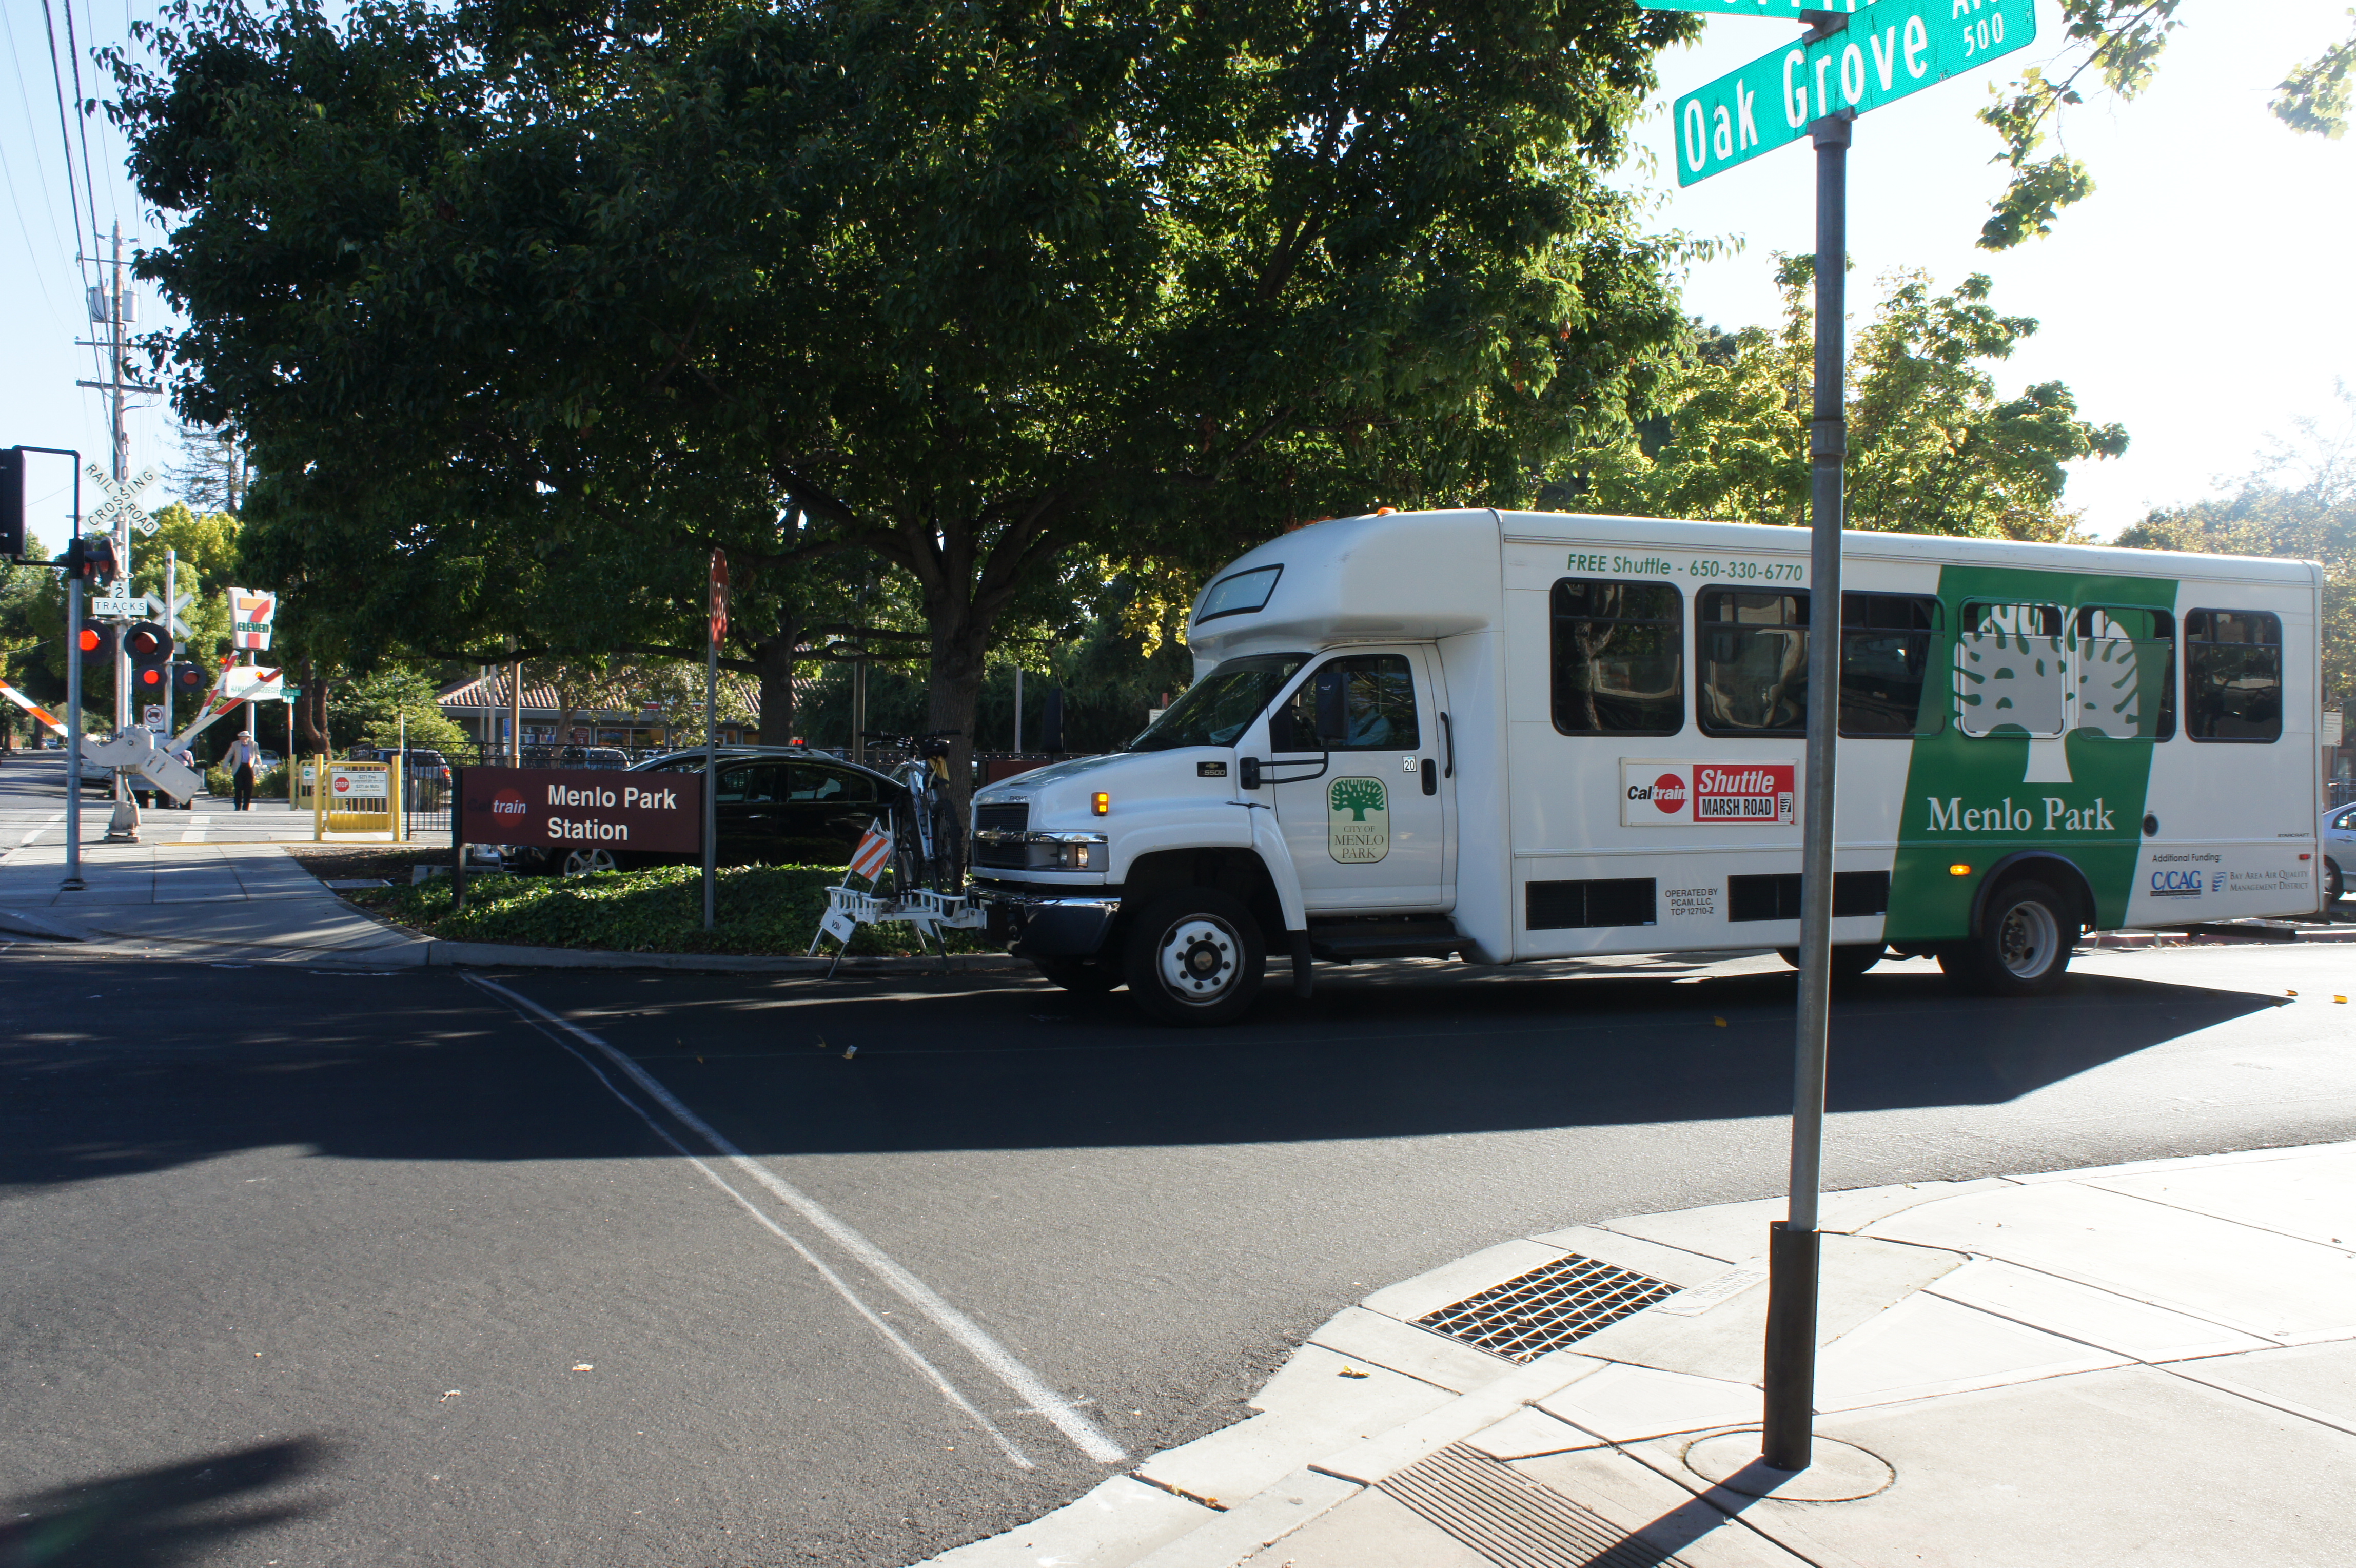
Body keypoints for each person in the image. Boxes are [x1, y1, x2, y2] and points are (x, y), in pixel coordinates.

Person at [224, 730, 259, 811]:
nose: (244, 740)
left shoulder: (254, 745)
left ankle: (246, 807)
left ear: (248, 738)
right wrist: (225, 765)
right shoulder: (235, 744)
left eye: (246, 738)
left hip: (249, 767)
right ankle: (237, 807)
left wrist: (259, 765)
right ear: (240, 738)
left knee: (249, 788)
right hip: (239, 767)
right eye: (242, 738)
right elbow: (229, 755)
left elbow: (257, 756)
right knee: (238, 787)